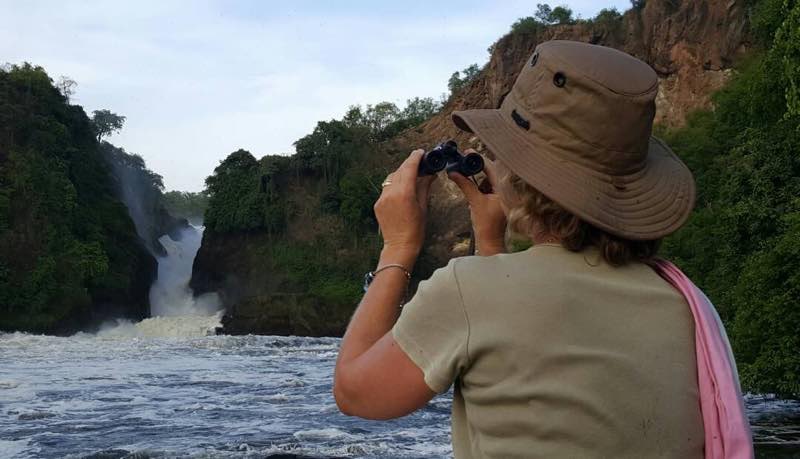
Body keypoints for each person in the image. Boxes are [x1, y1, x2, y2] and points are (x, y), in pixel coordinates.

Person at [333, 40, 742, 458]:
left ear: (517, 174)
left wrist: (398, 247)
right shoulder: (683, 304)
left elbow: (356, 393)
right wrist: (492, 243)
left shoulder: (470, 292)